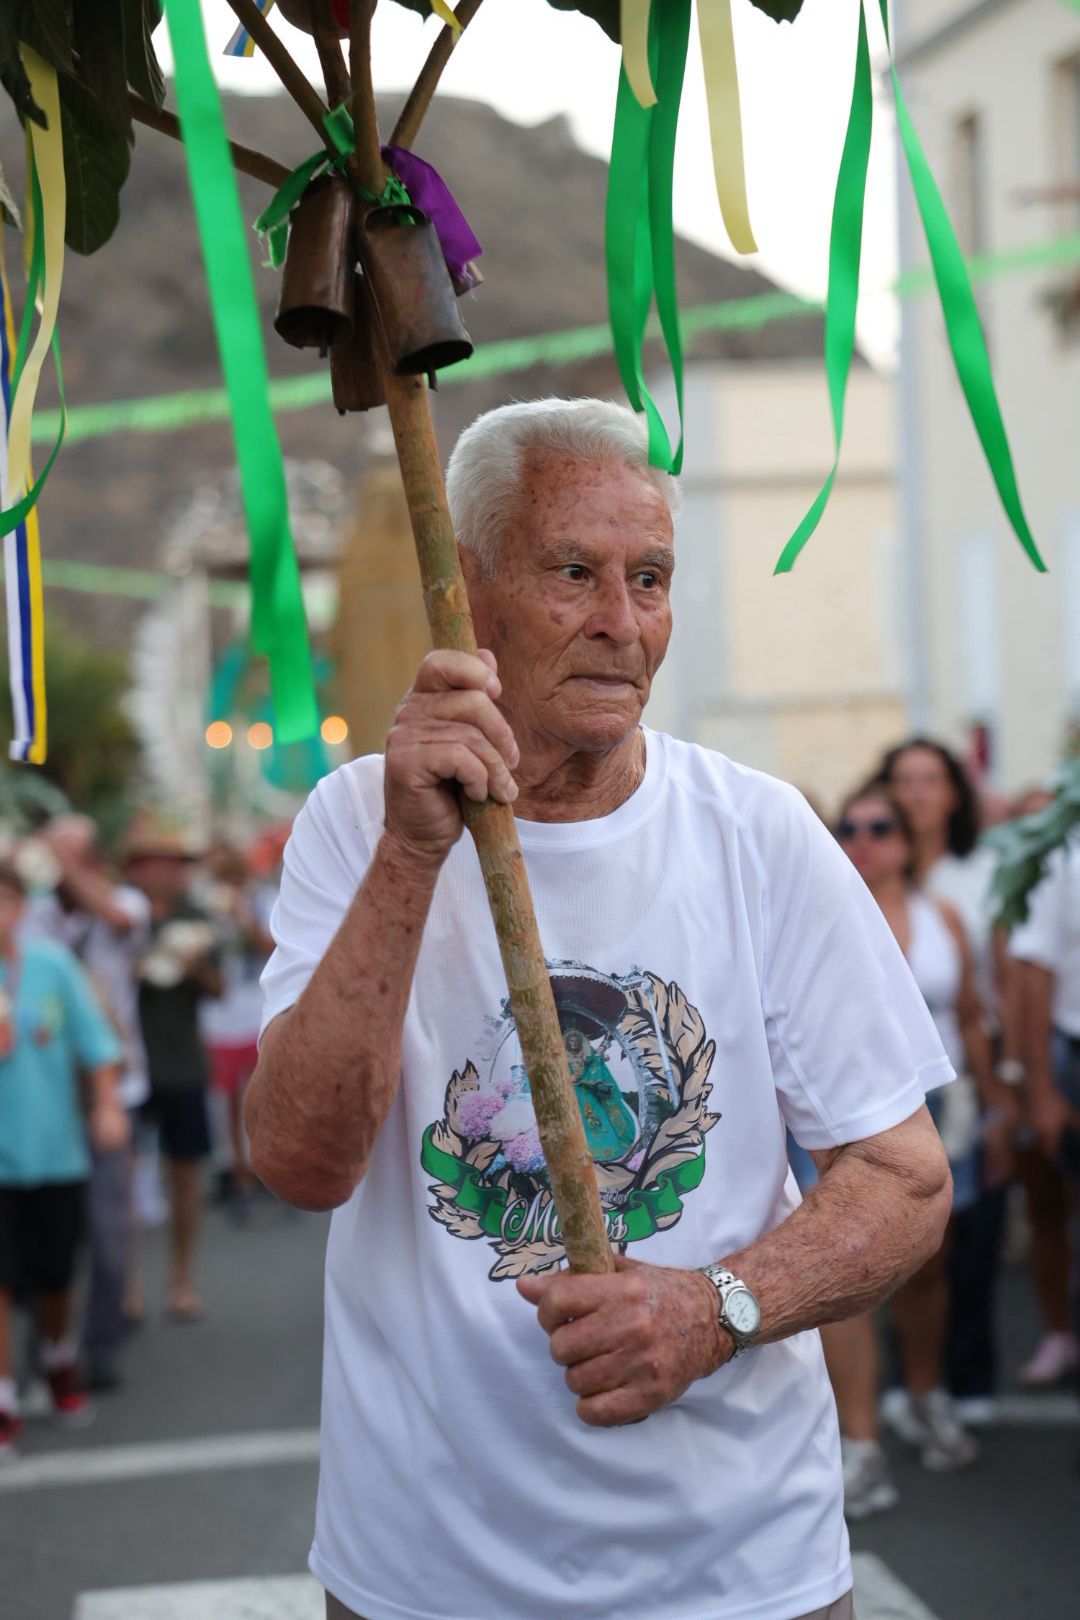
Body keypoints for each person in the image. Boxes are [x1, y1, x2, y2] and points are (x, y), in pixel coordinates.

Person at [248, 399, 955, 1620]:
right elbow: (300, 1162)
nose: (624, 625)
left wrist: (715, 1308)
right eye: (573, 572)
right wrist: (414, 855)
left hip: (739, 1576)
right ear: (461, 588)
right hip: (428, 1575)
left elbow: (904, 1178)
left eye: (652, 579)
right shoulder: (356, 825)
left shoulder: (760, 832)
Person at [831, 782, 1016, 1490]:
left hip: (938, 1101)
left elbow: (970, 1016)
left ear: (908, 841)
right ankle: (861, 1440)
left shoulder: (942, 915)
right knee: (844, 1268)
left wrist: (999, 1109)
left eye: (881, 826)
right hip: (846, 1109)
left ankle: (924, 1393)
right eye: (850, 826)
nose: (864, 839)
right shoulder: (819, 911)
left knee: (930, 1262)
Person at [880, 737, 1021, 1416]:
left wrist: (1005, 1086)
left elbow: (996, 982)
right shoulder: (864, 871)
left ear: (955, 792)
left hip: (971, 1058)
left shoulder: (979, 872)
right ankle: (906, 1381)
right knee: (902, 1242)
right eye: (903, 781)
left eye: (931, 780)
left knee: (971, 1232)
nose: (916, 794)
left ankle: (966, 1375)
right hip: (894, 1077)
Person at [0, 861, 126, 1460]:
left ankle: (57, 1363)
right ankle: (3, 1401)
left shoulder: (50, 966)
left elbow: (97, 1042)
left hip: (53, 1151)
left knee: (53, 1279)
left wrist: (106, 1105)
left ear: (19, 908)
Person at [22, 815, 152, 1390]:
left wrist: (59, 862)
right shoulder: (30, 913)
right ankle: (44, 1345)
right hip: (41, 1098)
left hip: (110, 1091)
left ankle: (99, 1343)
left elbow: (116, 919)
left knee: (106, 1231)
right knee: (41, 1232)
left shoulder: (125, 903)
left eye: (73, 854)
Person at [124, 823, 222, 1322]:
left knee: (185, 1176)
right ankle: (130, 1283)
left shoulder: (195, 917)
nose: (165, 871)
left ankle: (181, 1281)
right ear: (136, 868)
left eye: (172, 863)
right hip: (127, 1069)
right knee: (125, 1179)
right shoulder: (118, 917)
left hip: (181, 1064)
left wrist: (193, 968)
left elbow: (220, 988)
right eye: (154, 862)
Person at [1008, 839, 1080, 1385]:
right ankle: (1062, 1333)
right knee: (1053, 1211)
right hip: (1072, 1055)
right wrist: (1041, 1089)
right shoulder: (1067, 853)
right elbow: (1033, 969)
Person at [197, 846, 275, 1216]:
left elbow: (272, 948)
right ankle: (238, 1174)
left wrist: (242, 916)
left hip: (257, 1012)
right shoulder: (204, 909)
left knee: (261, 1097)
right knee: (226, 1100)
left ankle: (268, 1170)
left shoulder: (265, 901)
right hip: (217, 1018)